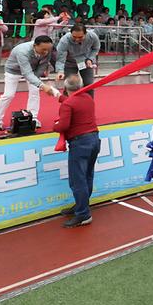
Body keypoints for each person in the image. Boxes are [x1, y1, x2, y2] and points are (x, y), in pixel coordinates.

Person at [53, 75, 100, 228]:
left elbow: (63, 126)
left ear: (66, 88)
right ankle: (81, 206)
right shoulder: (87, 97)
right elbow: (71, 102)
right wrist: (56, 95)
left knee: (77, 180)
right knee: (87, 176)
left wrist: (55, 126)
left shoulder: (68, 105)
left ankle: (83, 214)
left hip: (80, 143)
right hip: (94, 139)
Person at [0, 36, 59, 130]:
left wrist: (37, 80)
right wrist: (42, 85)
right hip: (13, 70)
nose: (46, 52)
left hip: (33, 71)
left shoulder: (47, 49)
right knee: (8, 95)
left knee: (35, 92)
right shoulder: (22, 51)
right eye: (43, 49)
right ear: (35, 45)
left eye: (48, 50)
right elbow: (26, 73)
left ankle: (33, 118)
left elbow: (43, 65)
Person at [55, 25, 100, 96]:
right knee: (70, 85)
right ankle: (67, 105)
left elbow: (96, 48)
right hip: (69, 63)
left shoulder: (92, 36)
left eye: (80, 37)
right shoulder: (64, 40)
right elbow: (60, 58)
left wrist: (90, 59)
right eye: (74, 37)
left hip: (85, 62)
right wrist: (60, 71)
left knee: (89, 85)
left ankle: (89, 104)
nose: (77, 39)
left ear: (86, 34)